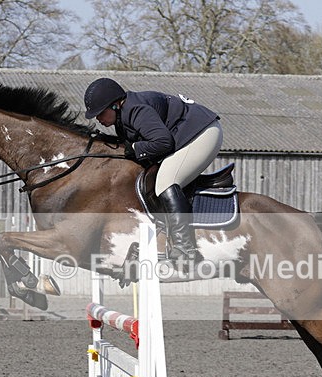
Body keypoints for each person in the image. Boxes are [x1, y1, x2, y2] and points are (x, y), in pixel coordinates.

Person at [83, 77, 223, 267]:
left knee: (166, 181)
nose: (98, 119)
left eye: (100, 113)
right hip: (187, 135)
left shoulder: (135, 110)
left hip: (203, 133)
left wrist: (133, 148)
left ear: (115, 105)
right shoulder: (122, 117)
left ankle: (185, 248)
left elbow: (163, 143)